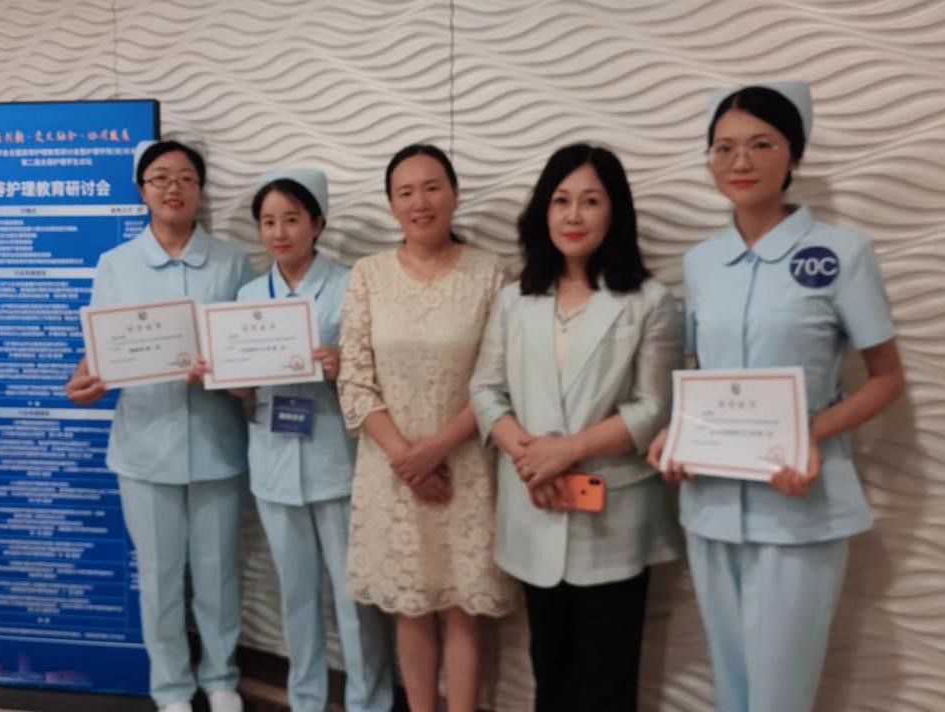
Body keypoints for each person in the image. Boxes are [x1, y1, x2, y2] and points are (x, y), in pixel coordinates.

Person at [647, 81, 906, 712]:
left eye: (761, 144)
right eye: (724, 147)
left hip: (799, 504)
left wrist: (807, 435)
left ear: (794, 154)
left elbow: (886, 378)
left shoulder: (842, 253)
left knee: (779, 695)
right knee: (730, 685)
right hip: (711, 503)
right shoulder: (702, 263)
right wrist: (677, 435)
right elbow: (703, 375)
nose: (740, 161)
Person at [469, 144, 681, 711]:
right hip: (534, 503)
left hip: (614, 515)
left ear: (615, 212)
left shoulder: (648, 301)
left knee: (608, 680)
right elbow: (485, 390)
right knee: (550, 670)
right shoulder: (515, 300)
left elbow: (654, 407)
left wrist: (565, 452)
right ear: (543, 211)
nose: (573, 215)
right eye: (561, 201)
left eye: (591, 201)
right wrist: (528, 457)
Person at [64, 140, 254, 712]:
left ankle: (221, 680)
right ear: (141, 190)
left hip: (217, 444)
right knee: (159, 577)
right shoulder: (116, 265)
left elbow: (245, 349)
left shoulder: (230, 262)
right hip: (144, 448)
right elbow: (99, 351)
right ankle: (170, 689)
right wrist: (84, 383)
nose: (174, 187)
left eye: (186, 177)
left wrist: (224, 370)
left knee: (218, 576)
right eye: (160, 177)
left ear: (200, 189)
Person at [337, 144, 516, 712]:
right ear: (391, 204)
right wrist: (407, 459)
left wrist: (434, 450)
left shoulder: (491, 273)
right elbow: (355, 380)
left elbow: (500, 379)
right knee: (411, 607)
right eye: (406, 192)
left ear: (455, 195)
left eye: (432, 187)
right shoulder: (367, 275)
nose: (420, 202)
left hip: (465, 464)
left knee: (462, 608)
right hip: (390, 466)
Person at [233, 169, 394, 712]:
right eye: (268, 222)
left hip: (336, 458)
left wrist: (343, 365)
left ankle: (370, 701)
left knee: (354, 597)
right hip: (273, 459)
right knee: (295, 595)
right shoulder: (248, 295)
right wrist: (226, 377)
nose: (279, 232)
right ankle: (304, 699)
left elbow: (381, 370)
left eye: (292, 219)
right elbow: (243, 389)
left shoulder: (351, 285)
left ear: (317, 223)